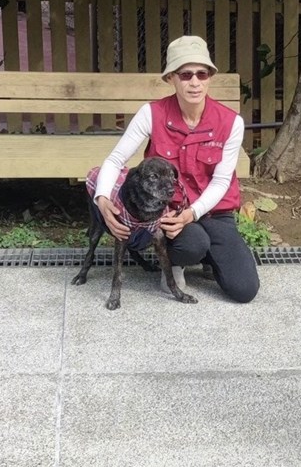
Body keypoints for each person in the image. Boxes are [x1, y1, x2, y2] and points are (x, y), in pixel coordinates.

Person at [93, 35, 259, 303]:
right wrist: (101, 198)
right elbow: (115, 160)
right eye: (185, 75)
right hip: (169, 213)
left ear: (210, 77)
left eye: (202, 74)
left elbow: (220, 182)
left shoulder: (231, 122)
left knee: (244, 290)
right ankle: (176, 263)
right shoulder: (152, 113)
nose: (195, 82)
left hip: (214, 212)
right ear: (171, 78)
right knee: (192, 244)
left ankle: (210, 255)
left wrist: (192, 213)